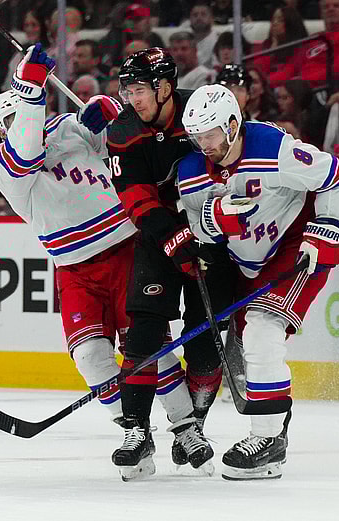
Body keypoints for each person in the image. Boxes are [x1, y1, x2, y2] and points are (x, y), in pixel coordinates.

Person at [0, 45, 200, 474]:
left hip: (125, 247)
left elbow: (120, 144)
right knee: (90, 358)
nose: (18, 126)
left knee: (149, 344)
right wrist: (30, 88)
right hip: (75, 268)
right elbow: (26, 151)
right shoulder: (3, 164)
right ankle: (134, 433)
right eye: (7, 123)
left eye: (21, 117)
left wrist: (108, 112)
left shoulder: (64, 127)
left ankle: (186, 428)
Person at [80, 48, 239, 480]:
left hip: (211, 230)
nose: (132, 98)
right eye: (126, 89)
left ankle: (193, 427)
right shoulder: (123, 131)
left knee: (205, 334)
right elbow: (136, 199)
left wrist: (207, 227)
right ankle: (136, 429)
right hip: (158, 235)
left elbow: (233, 160)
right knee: (145, 327)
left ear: (165, 87)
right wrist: (172, 239)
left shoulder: (201, 111)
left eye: (139, 89)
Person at [177, 84, 339, 480]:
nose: (204, 145)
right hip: (245, 262)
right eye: (197, 137)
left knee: (262, 330)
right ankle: (273, 425)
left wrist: (324, 228)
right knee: (243, 348)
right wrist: (213, 219)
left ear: (233, 125)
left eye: (211, 135)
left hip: (294, 246)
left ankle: (268, 440)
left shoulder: (271, 147)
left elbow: (337, 175)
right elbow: (194, 227)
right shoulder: (190, 173)